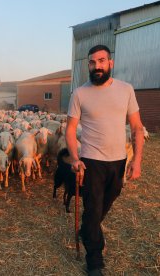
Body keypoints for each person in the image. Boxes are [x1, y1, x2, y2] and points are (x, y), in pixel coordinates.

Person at [65, 45, 144, 276]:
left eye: (101, 61)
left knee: (100, 209)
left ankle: (87, 229)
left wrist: (136, 161)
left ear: (111, 63)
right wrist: (75, 158)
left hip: (118, 161)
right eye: (92, 62)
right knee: (93, 207)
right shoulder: (80, 93)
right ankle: (95, 261)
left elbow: (137, 127)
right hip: (92, 162)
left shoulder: (126, 90)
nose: (97, 66)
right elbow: (70, 130)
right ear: (88, 65)